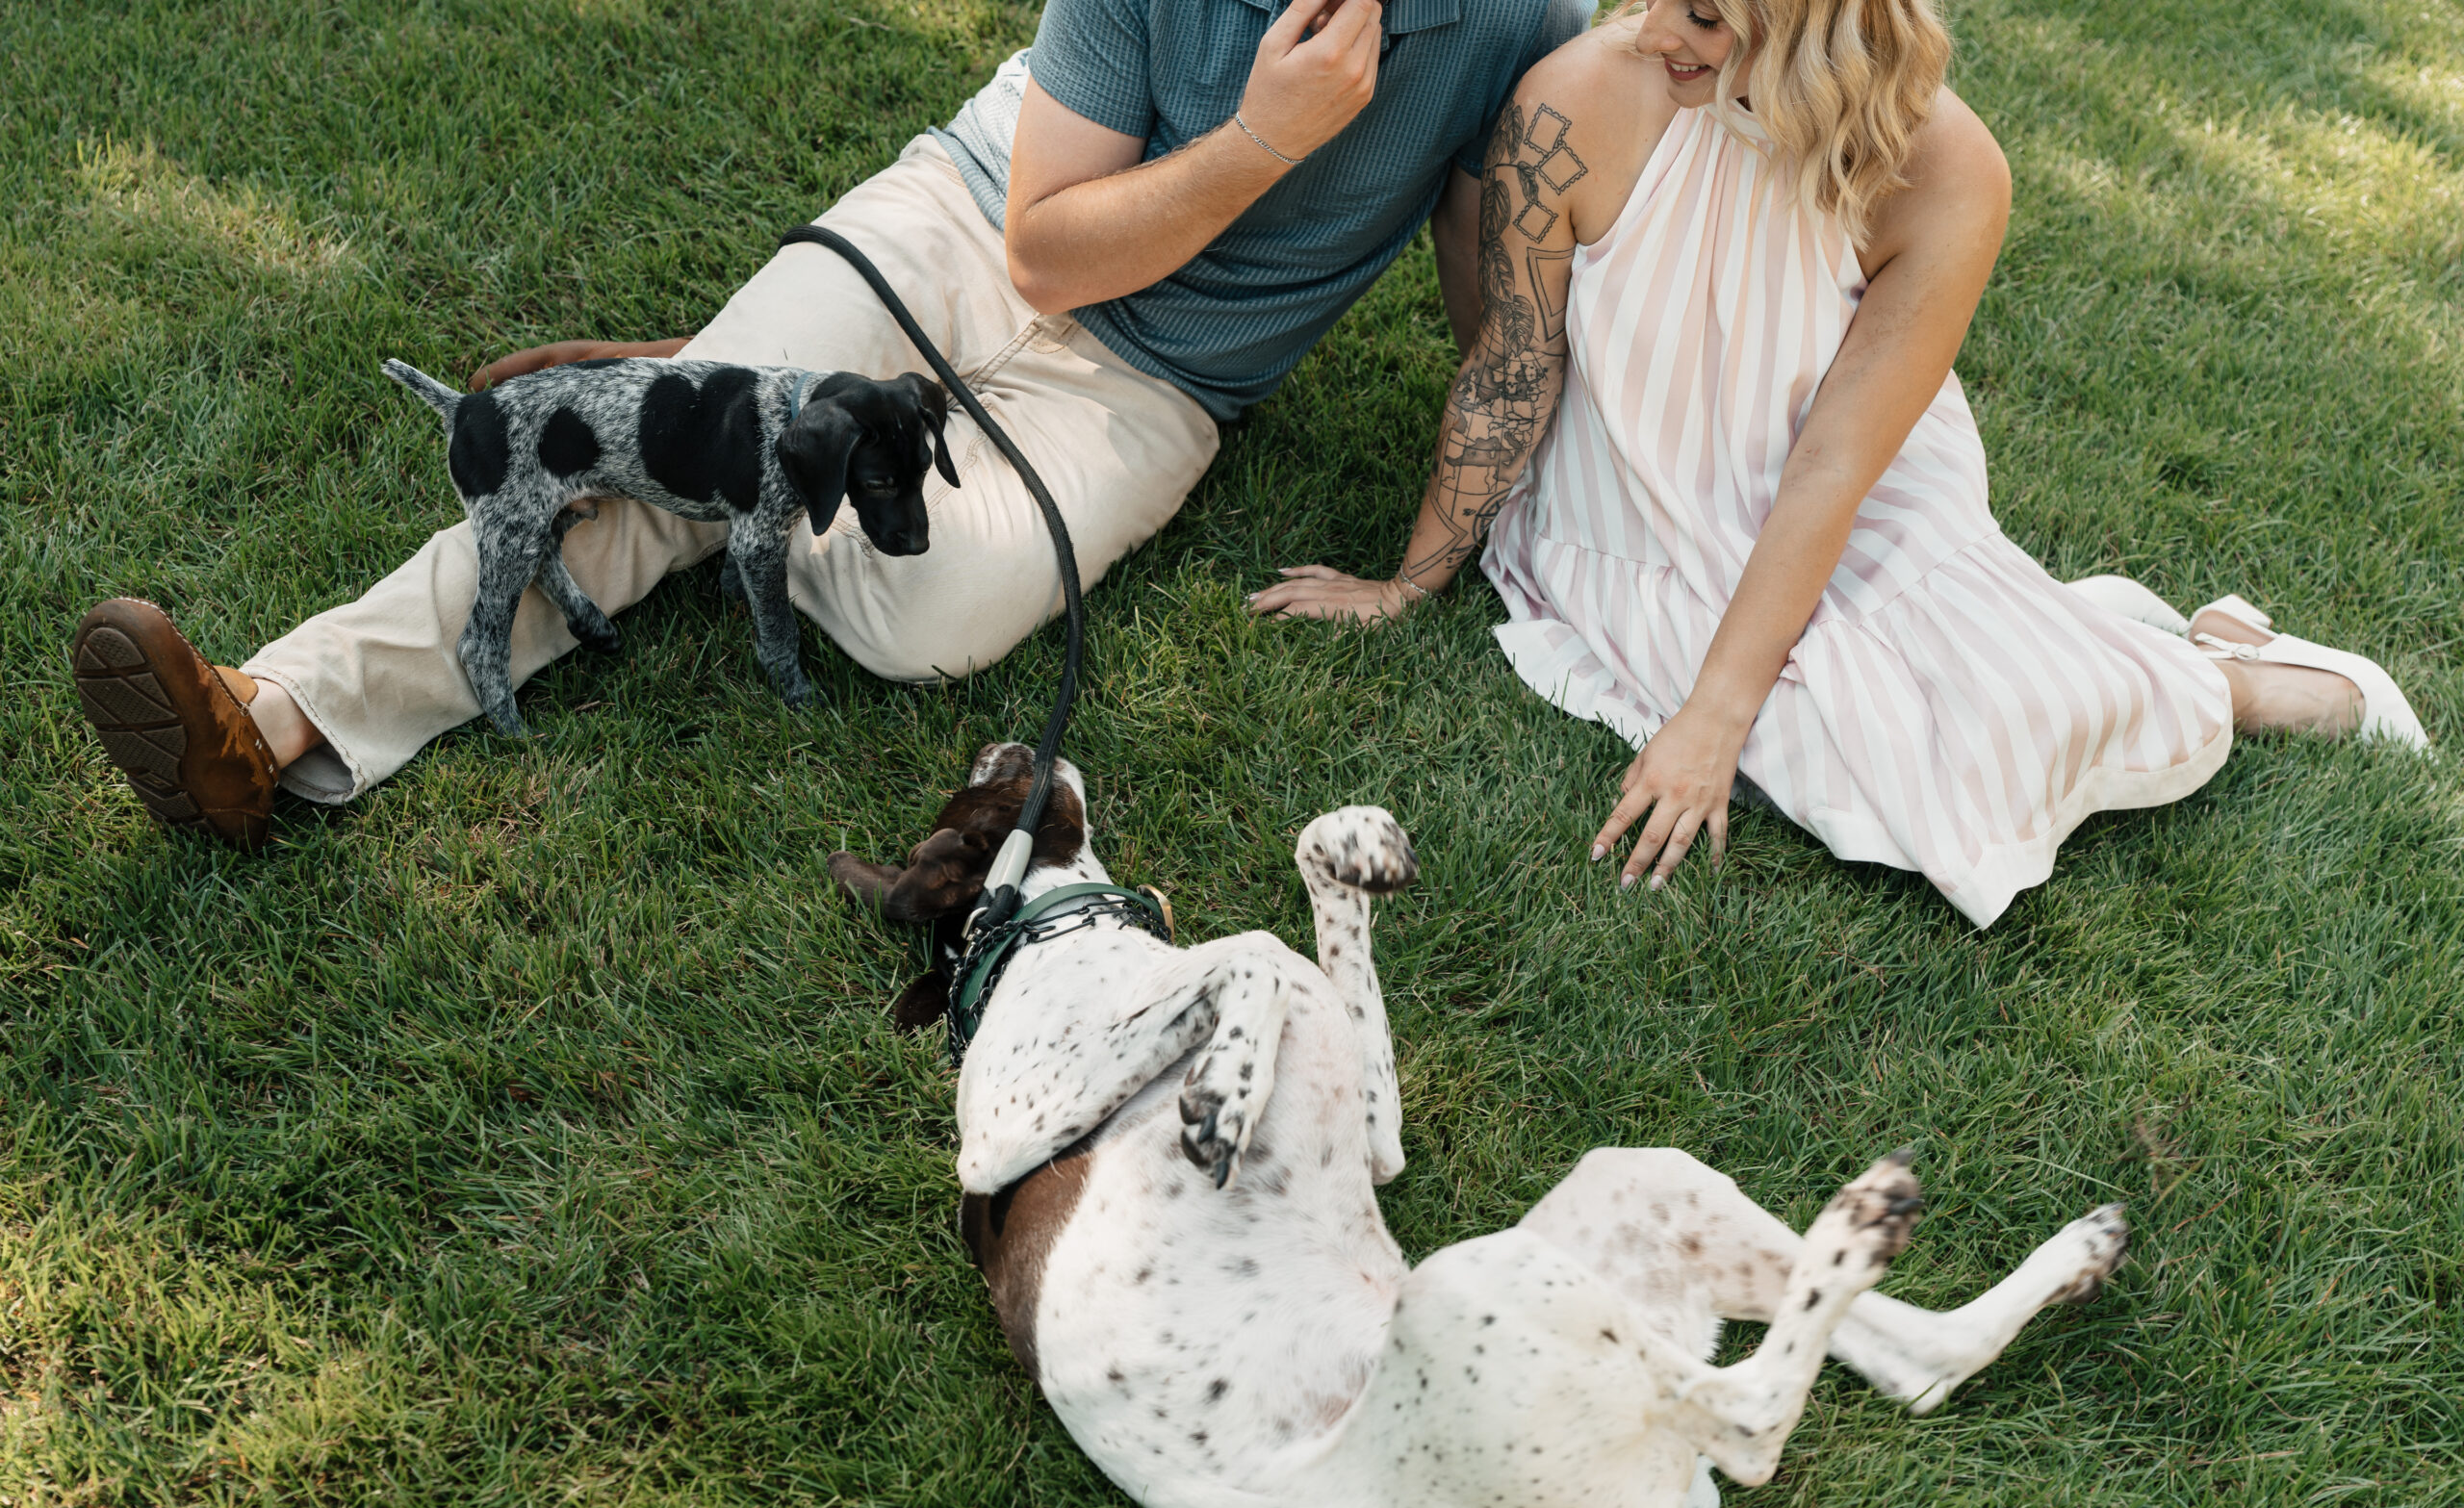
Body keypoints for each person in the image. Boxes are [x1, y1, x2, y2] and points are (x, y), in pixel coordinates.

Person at [70, 0, 1590, 850]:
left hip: (1150, 381)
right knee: (685, 459)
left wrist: (1483, 513)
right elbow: (1046, 248)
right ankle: (272, 717)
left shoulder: (1520, 20)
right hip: (985, 219)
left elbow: (1492, 278)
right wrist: (1265, 136)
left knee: (922, 618)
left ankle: (736, 386)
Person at [1250, 0, 2429, 927]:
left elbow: (1829, 470)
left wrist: (1711, 717)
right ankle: (2083, 642)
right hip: (1628, 508)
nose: (1655, 28)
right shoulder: (1575, 101)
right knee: (1826, 759)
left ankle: (2224, 676)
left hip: (1842, 496)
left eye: (1707, 16)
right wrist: (1409, 580)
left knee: (1985, 736)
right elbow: (1512, 365)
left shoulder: (1950, 170)